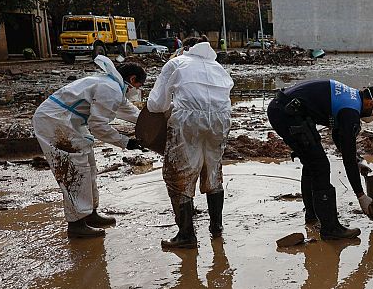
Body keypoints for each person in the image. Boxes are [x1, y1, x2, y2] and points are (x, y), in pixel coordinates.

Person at [33, 56, 146, 238]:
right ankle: (76, 224)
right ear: (133, 80)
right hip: (55, 121)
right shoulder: (110, 89)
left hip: (68, 122)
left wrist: (150, 124)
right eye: (139, 86)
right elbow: (98, 126)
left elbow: (133, 113)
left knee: (89, 167)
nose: (137, 91)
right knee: (75, 171)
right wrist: (126, 142)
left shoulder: (113, 86)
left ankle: (90, 214)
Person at [267, 79, 373, 240]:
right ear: (370, 103)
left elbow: (337, 135)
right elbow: (346, 157)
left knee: (312, 163)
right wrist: (361, 196)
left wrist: (357, 160)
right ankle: (331, 229)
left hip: (285, 108)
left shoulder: (351, 97)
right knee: (320, 166)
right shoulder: (350, 111)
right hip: (286, 113)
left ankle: (313, 215)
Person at [148, 37, 234, 249]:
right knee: (212, 170)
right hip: (221, 120)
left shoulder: (176, 63)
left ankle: (186, 235)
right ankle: (216, 228)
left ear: (185, 49)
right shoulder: (217, 67)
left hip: (187, 121)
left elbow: (155, 105)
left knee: (178, 175)